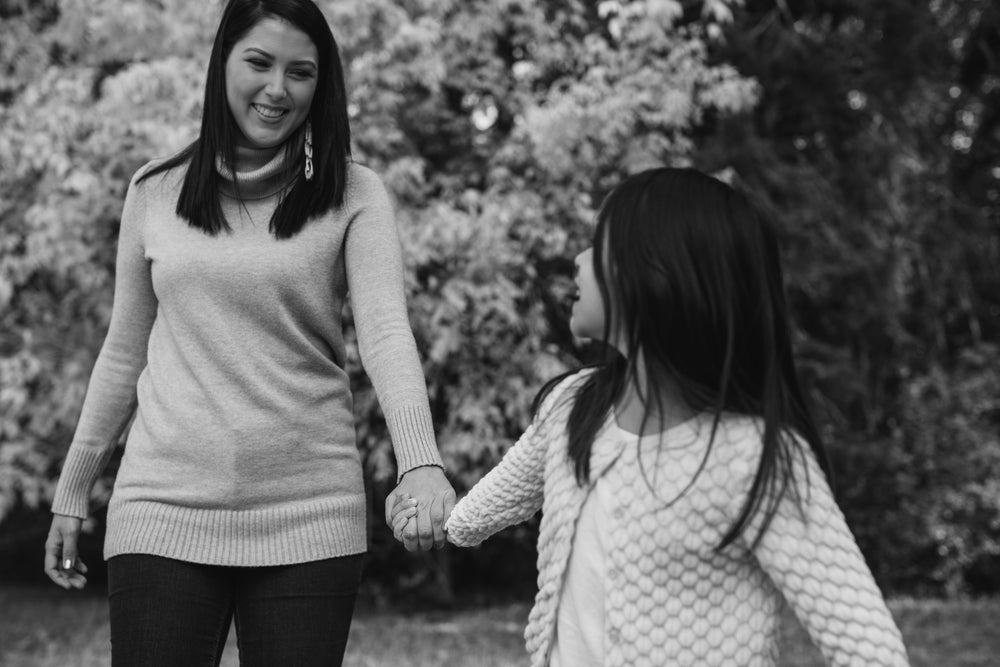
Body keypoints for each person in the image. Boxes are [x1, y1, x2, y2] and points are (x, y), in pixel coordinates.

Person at [43, 0, 454, 664]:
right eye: (258, 63)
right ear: (222, 62)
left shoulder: (356, 193)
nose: (277, 90)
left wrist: (422, 462)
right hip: (163, 506)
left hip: (309, 513)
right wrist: (73, 487)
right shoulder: (153, 191)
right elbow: (123, 351)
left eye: (301, 72)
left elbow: (384, 331)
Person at [391, 167, 910, 666]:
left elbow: (867, 647)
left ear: (660, 276)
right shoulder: (573, 408)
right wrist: (431, 520)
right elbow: (480, 512)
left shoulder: (752, 458)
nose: (577, 258)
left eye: (600, 246)